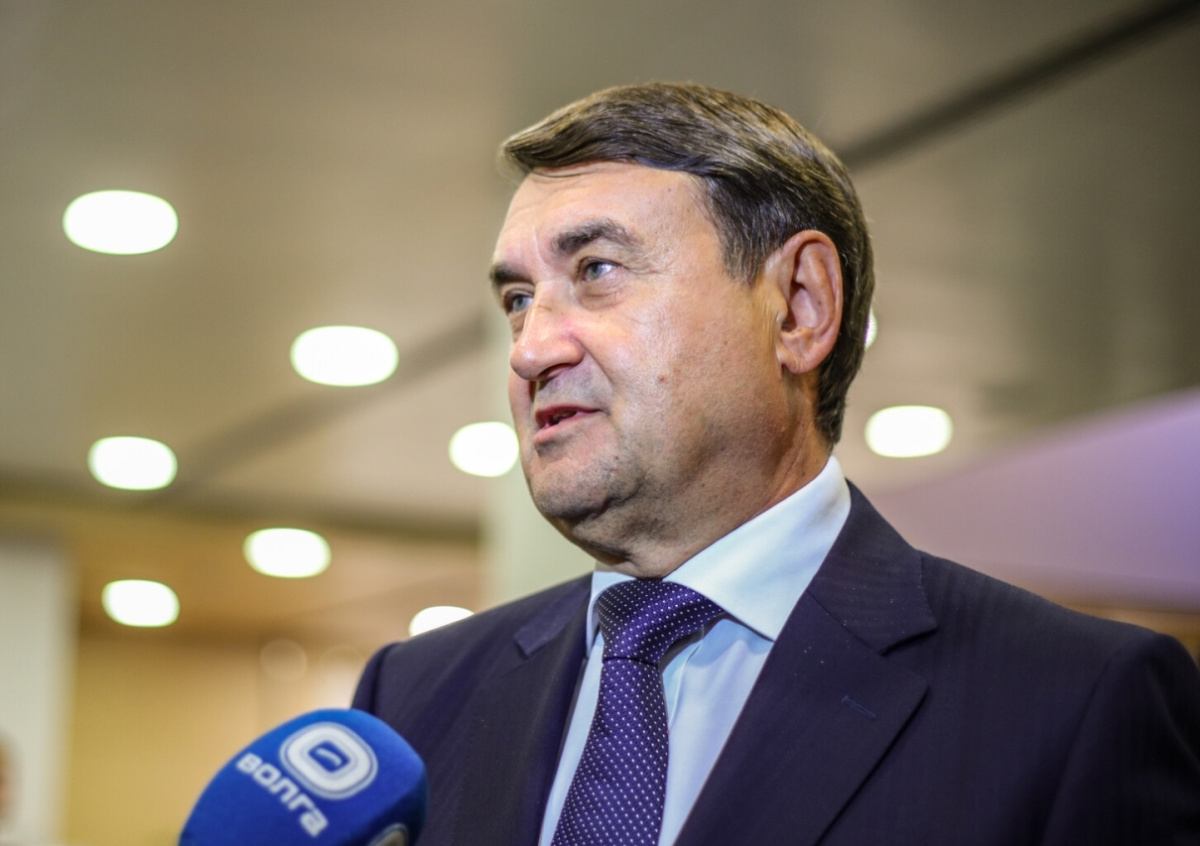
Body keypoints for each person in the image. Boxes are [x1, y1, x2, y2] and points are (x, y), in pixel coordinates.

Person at [354, 82, 1200, 845]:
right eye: (518, 299)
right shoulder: (412, 699)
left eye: (597, 270)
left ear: (799, 307)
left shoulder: (1074, 702)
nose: (530, 348)